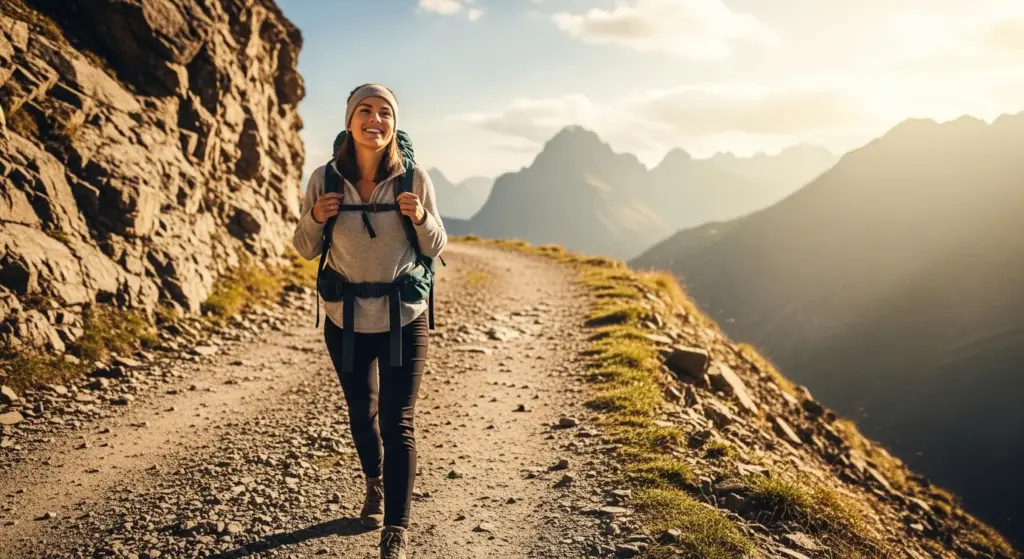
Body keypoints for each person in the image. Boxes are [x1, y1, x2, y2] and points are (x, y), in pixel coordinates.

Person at [291, 83, 447, 559]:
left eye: (385, 112)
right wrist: (316, 217)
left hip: (404, 318)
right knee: (363, 414)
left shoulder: (413, 178)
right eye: (365, 110)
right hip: (347, 318)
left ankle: (395, 530)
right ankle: (374, 483)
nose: (375, 119)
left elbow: (438, 245)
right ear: (349, 120)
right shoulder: (324, 179)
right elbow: (304, 247)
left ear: (395, 124)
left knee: (399, 422)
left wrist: (420, 217)